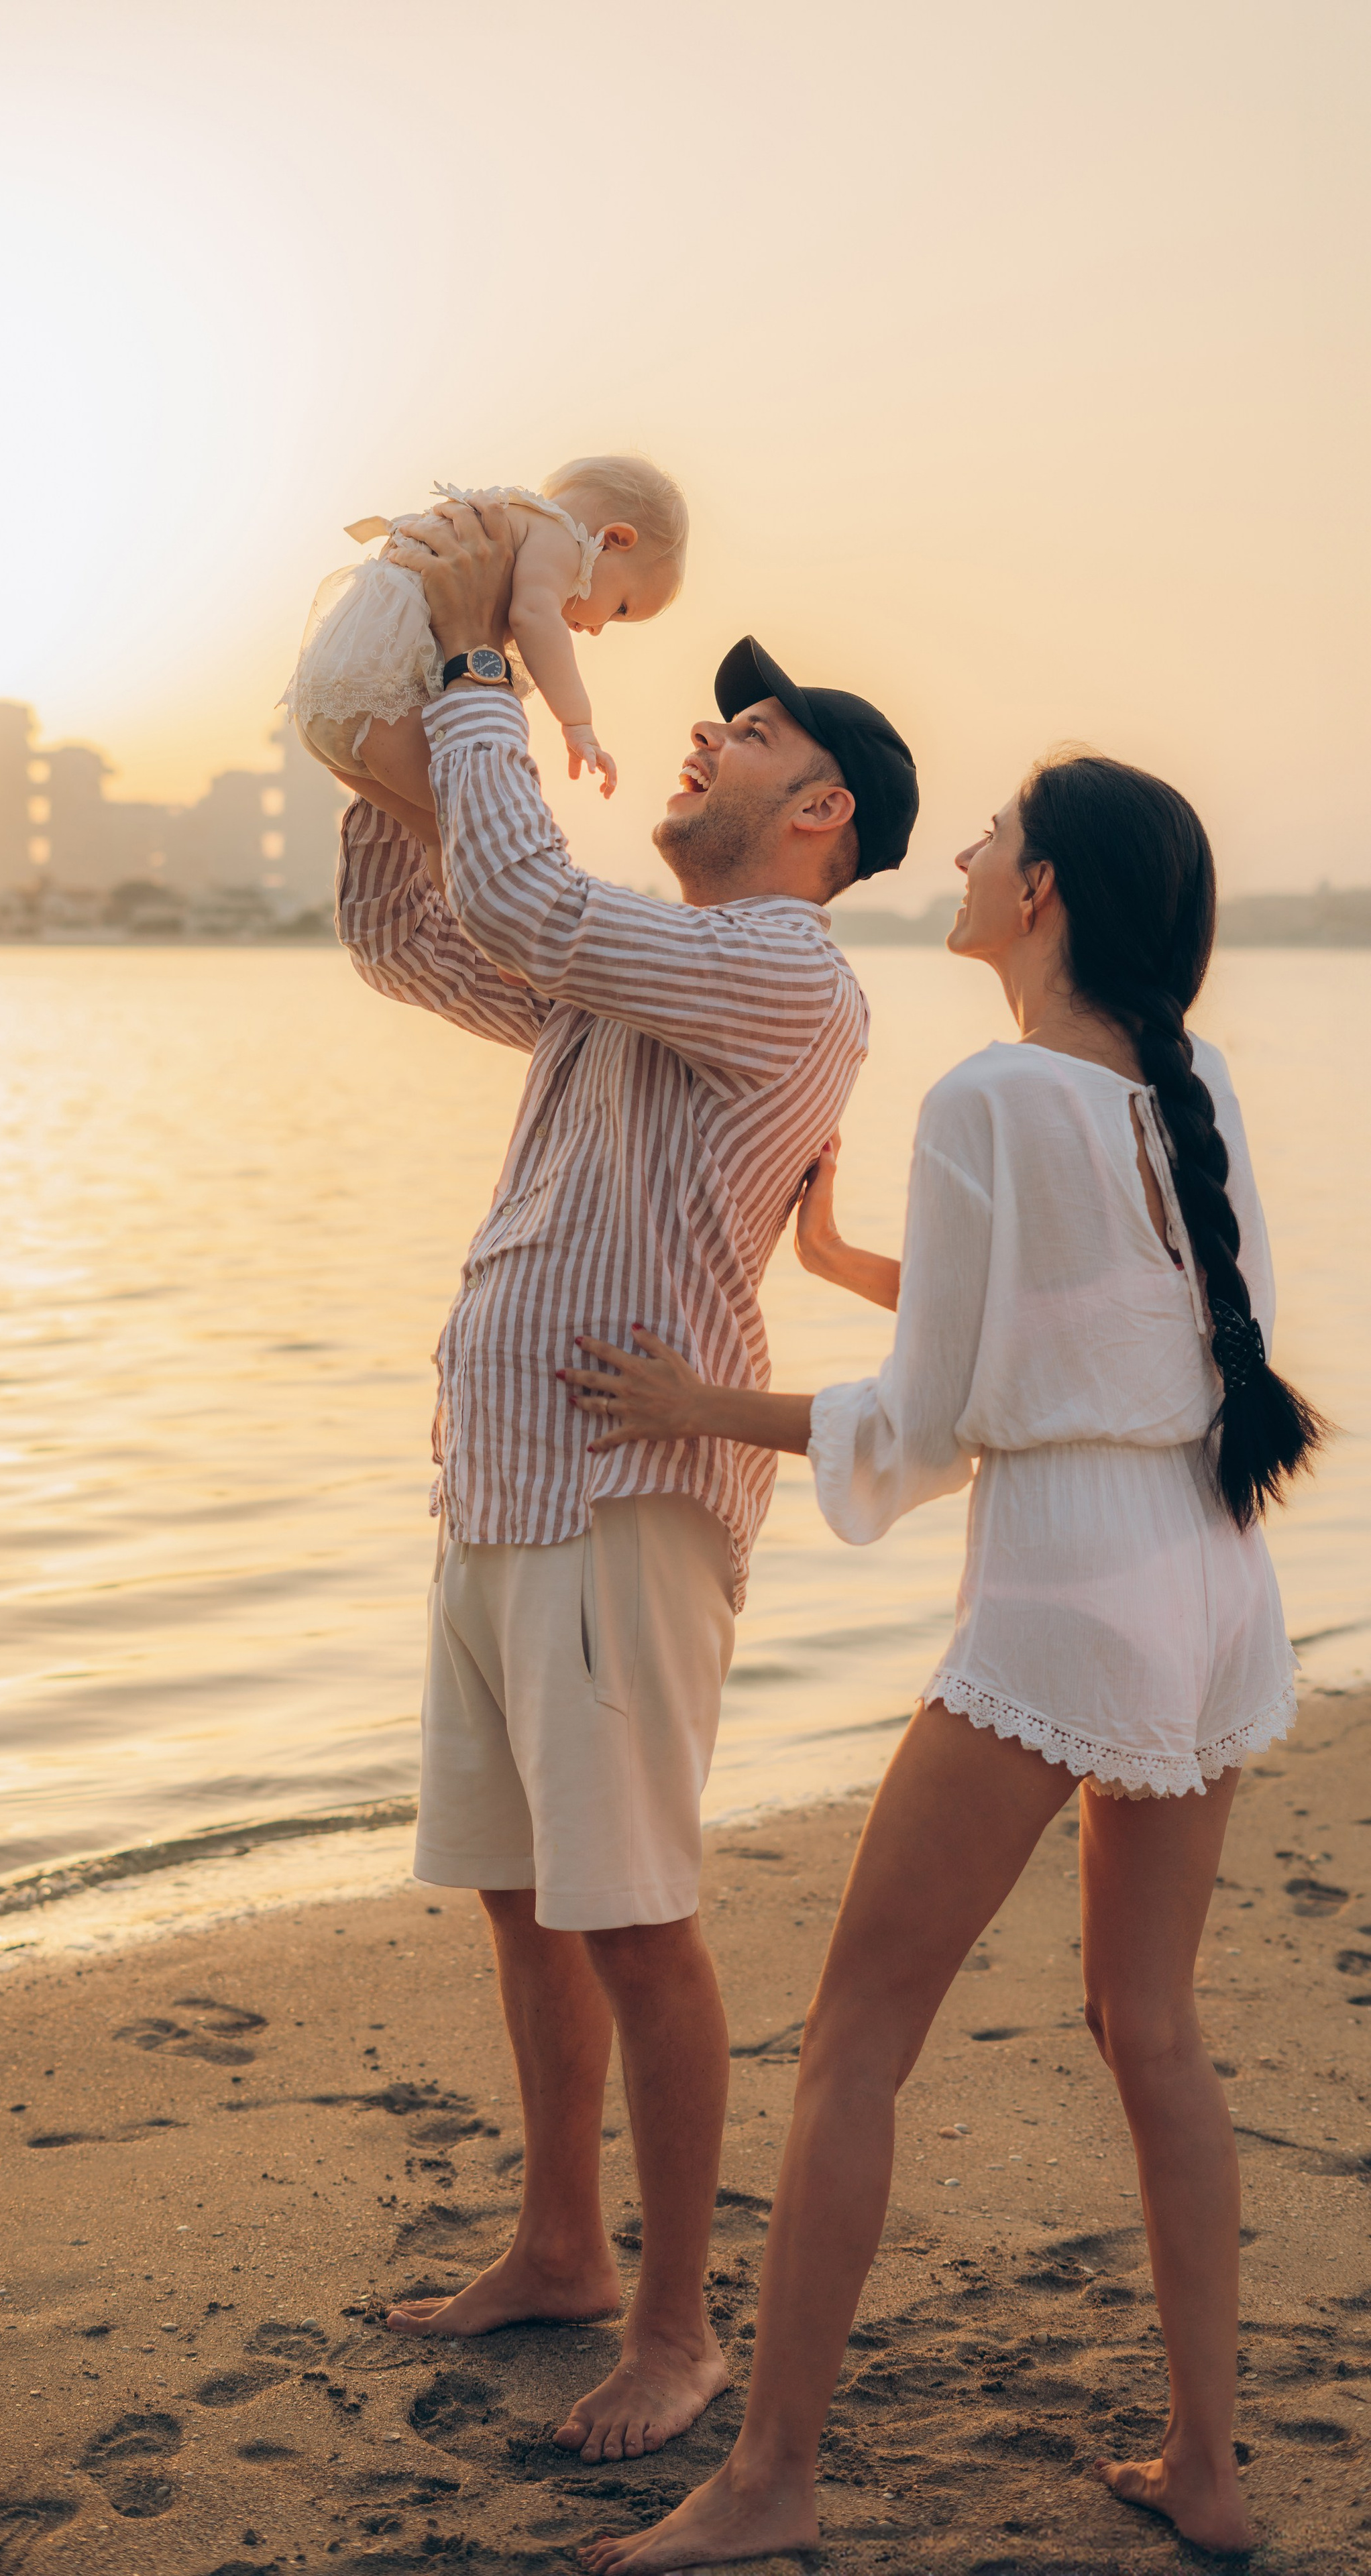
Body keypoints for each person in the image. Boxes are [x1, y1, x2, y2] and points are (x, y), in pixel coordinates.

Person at [561, 748, 1325, 2560]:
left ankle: (766, 2479)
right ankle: (1208, 2469)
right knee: (1154, 2029)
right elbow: (1124, 1320)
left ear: (1042, 893)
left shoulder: (989, 1094)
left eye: (991, 837)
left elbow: (934, 1422)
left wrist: (702, 1401)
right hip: (1215, 1582)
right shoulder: (1186, 1079)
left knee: (855, 2044)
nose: (968, 856)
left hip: (1063, 1590)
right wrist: (852, 1266)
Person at [333, 498, 918, 2465]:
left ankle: (671, 2324)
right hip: (500, 1475)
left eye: (750, 737)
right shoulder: (643, 968)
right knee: (520, 1900)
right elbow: (416, 932)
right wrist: (400, 679)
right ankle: (562, 2243)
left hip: (622, 1497)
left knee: (637, 1917)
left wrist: (496, 654)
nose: (702, 737)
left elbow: (529, 900)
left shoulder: (786, 982)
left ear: (820, 816)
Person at [283, 457, 688, 830]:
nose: (599, 629)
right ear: (615, 539)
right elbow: (533, 616)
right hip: (379, 700)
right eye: (620, 608)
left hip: (329, 698)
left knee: (440, 835)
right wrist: (577, 721)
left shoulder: (509, 521)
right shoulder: (558, 537)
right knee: (485, 823)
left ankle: (449, 912)